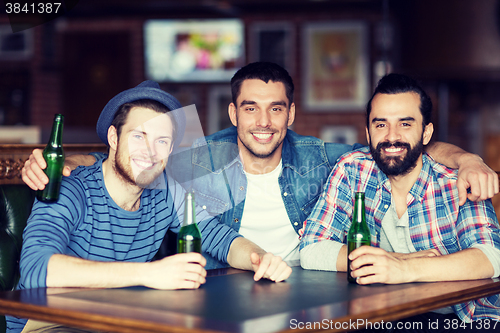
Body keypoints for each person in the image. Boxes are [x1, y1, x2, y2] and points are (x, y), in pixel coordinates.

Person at [22, 62, 499, 270]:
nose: (264, 122)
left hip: (308, 284)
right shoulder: (199, 154)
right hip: (218, 289)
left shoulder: (319, 155)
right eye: (250, 108)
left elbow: (392, 147)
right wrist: (69, 161)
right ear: (233, 114)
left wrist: (466, 158)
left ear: (291, 114)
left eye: (276, 109)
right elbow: (133, 157)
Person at [7, 80, 291, 333]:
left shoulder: (165, 189)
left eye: (162, 141)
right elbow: (36, 270)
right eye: (138, 136)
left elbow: (219, 238)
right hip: (51, 322)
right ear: (114, 138)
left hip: (120, 319)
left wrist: (260, 257)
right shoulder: (70, 187)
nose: (150, 152)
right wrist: (150, 274)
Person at [299, 73, 500, 330]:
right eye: (380, 125)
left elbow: (490, 257)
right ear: (368, 133)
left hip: (462, 318)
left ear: (426, 133)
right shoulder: (352, 170)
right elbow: (312, 248)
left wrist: (404, 270)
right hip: (384, 314)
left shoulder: (456, 181)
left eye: (405, 124)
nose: (391, 136)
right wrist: (395, 260)